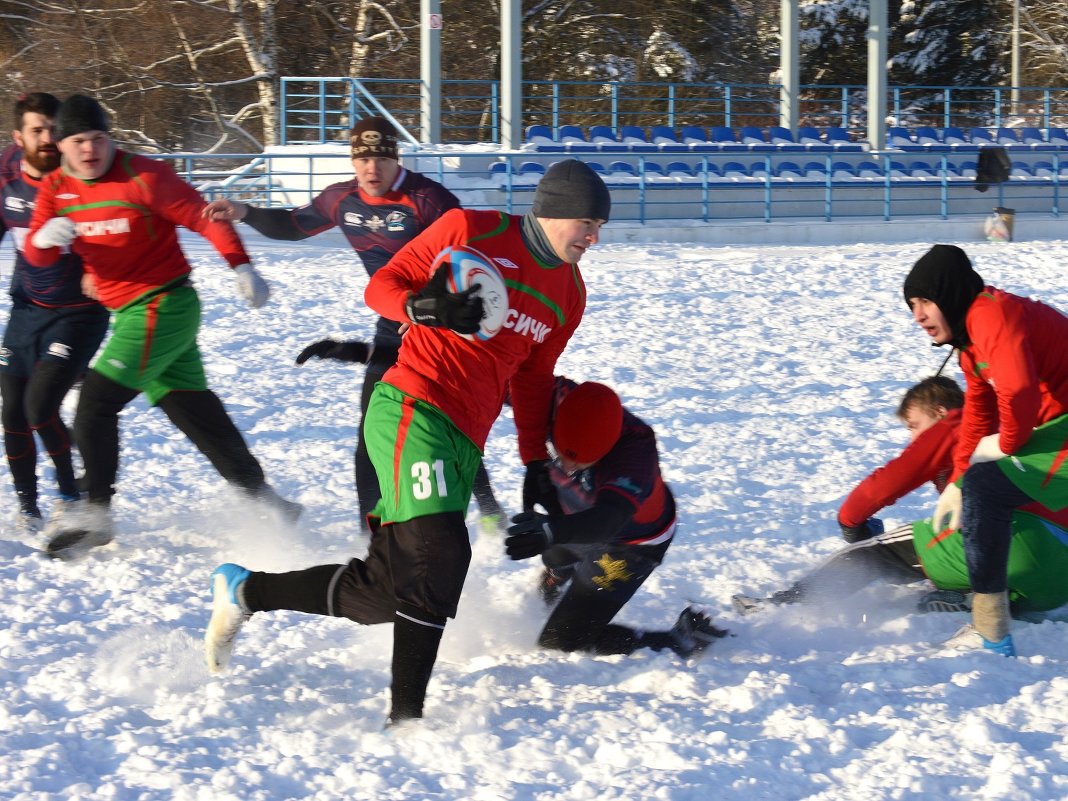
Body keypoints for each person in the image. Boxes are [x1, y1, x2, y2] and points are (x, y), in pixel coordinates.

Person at [204, 158, 610, 725]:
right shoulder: (472, 229)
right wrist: (424, 307)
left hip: (465, 437)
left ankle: (246, 591)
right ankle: (405, 722)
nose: (594, 237)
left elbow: (533, 379)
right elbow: (382, 287)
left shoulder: (569, 294)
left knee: (386, 591)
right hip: (412, 406)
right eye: (587, 223)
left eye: (600, 227)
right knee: (442, 554)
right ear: (552, 210)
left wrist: (533, 462)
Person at [23, 94, 297, 559]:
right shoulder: (56, 189)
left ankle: (96, 514)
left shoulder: (145, 176)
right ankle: (269, 503)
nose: (90, 149)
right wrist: (43, 242)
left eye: (99, 138)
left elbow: (205, 219)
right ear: (62, 146)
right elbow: (36, 256)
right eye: (79, 141)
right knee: (196, 415)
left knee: (95, 403)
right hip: (131, 313)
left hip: (164, 305)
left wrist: (241, 266)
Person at [203, 116, 505, 533]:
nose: (371, 169)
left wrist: (434, 307)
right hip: (393, 321)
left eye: (381, 159)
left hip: (441, 326)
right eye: (362, 160)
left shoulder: (428, 199)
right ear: (352, 161)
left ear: (395, 159)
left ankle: (489, 509)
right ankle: (372, 530)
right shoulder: (341, 199)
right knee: (372, 428)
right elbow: (293, 225)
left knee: (447, 421)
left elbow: (471, 257)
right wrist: (244, 212)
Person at [731, 376, 1068, 617]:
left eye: (912, 425)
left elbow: (887, 482)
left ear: (938, 411)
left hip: (1016, 536)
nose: (911, 437)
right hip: (1057, 578)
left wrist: (850, 523)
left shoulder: (955, 424)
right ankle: (963, 598)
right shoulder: (1009, 425)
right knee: (946, 554)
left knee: (878, 553)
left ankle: (780, 607)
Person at [903, 244, 1068, 656]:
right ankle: (991, 626)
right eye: (911, 304)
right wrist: (958, 479)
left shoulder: (992, 315)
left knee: (988, 488)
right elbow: (978, 414)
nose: (917, 314)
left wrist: (1003, 445)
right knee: (980, 485)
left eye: (925, 300)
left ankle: (991, 631)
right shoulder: (972, 341)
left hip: (1059, 429)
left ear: (951, 293)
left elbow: (1019, 394)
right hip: (1057, 429)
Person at [503, 378, 727, 657]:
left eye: (582, 461)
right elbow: (496, 379)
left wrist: (550, 532)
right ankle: (560, 571)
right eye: (562, 452)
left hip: (629, 543)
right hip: (576, 515)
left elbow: (608, 519)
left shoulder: (636, 453)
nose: (568, 466)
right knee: (554, 557)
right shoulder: (554, 399)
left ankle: (677, 640)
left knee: (558, 645)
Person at [1, 92, 110, 533]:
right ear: (18, 137)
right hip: (26, 311)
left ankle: (70, 497)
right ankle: (28, 507)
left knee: (38, 406)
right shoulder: (7, 179)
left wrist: (104, 271)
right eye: (37, 131)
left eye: (53, 130)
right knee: (12, 413)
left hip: (79, 314)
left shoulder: (84, 178)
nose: (48, 139)